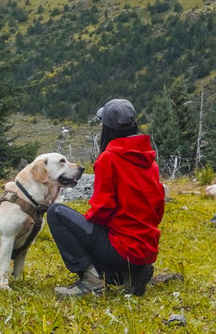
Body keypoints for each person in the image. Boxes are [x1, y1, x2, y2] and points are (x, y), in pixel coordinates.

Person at [46, 98, 164, 298]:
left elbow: (102, 210)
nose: (100, 125)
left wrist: (83, 227)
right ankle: (131, 271)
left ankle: (90, 280)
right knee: (109, 266)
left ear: (108, 128)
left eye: (102, 122)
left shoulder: (109, 159)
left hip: (123, 247)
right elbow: (158, 208)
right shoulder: (150, 161)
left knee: (56, 213)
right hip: (145, 249)